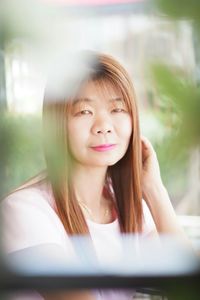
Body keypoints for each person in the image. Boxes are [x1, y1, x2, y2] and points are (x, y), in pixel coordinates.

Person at [1, 51, 188, 300]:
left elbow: (190, 283)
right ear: (57, 126)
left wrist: (155, 190)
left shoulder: (126, 206)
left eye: (117, 109)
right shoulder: (24, 211)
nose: (104, 125)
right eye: (84, 112)